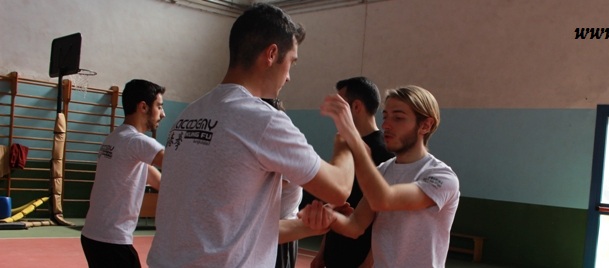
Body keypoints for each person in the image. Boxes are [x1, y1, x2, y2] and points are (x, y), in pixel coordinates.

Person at [147, 3, 355, 267]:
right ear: (271, 54)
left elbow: (227, 216)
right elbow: (338, 189)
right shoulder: (262, 119)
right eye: (291, 62)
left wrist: (308, 227)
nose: (289, 76)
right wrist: (347, 139)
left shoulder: (190, 113)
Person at [306, 85, 460, 267]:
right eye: (385, 116)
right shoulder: (383, 170)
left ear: (425, 125)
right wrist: (328, 216)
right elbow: (355, 226)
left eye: (398, 118)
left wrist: (354, 140)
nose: (386, 125)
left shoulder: (441, 176)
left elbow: (385, 199)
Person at [81, 79, 166, 268]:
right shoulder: (136, 141)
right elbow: (179, 163)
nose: (163, 114)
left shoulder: (116, 138)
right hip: (111, 241)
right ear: (143, 107)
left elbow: (158, 180)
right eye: (159, 107)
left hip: (92, 236)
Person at [311, 77, 394, 268]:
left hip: (360, 258)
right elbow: (336, 203)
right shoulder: (344, 146)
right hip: (335, 253)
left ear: (356, 107)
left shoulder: (384, 153)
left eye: (339, 104)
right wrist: (322, 252)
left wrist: (369, 262)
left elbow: (386, 218)